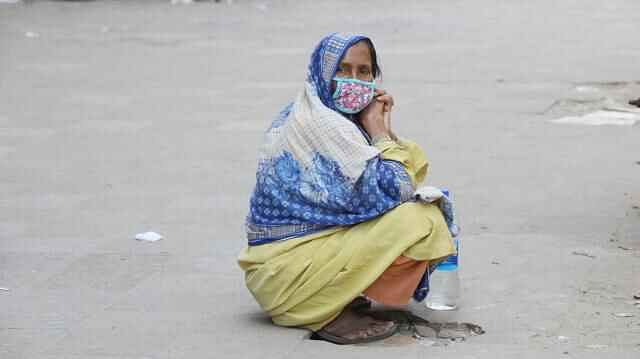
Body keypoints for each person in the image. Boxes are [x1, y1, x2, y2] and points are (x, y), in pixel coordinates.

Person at [237, 32, 456, 345]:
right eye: (342, 69)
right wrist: (378, 130)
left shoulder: (319, 114)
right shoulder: (323, 125)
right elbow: (398, 187)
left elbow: (395, 177)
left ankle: (338, 293)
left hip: (281, 266)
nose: (354, 80)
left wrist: (380, 128)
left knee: (414, 212)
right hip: (284, 276)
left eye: (363, 71)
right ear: (322, 72)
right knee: (421, 221)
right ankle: (319, 310)